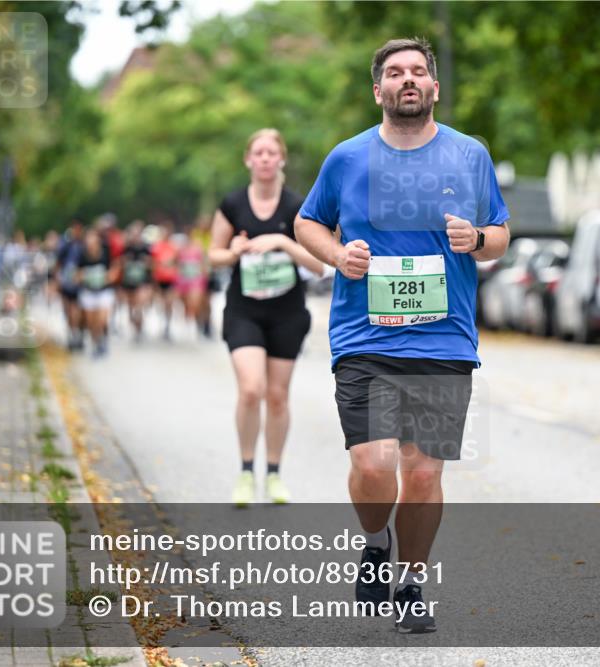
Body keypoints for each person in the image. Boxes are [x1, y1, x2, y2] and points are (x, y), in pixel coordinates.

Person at [295, 38, 510, 634]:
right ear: (378, 91)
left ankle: (412, 584)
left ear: (435, 87)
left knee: (421, 474)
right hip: (364, 337)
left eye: (418, 71)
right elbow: (307, 222)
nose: (407, 79)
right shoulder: (347, 158)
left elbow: (499, 232)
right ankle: (375, 541)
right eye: (395, 73)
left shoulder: (469, 155)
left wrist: (478, 240)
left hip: (444, 340)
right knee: (373, 465)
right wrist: (338, 255)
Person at [209, 128, 324, 507]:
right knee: (251, 389)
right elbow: (214, 255)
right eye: (257, 152)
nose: (264, 158)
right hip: (244, 310)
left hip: (287, 313)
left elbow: (320, 264)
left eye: (271, 152)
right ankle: (246, 471)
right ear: (248, 160)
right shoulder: (232, 204)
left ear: (281, 159)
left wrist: (283, 242)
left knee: (276, 397)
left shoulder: (297, 207)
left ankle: (273, 473)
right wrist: (234, 251)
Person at [77, 228, 117, 358]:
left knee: (102, 319)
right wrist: (83, 276)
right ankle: (95, 344)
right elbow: (76, 274)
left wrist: (110, 276)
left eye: (93, 238)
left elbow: (115, 267)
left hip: (104, 291)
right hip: (88, 292)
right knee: (91, 322)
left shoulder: (106, 252)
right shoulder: (82, 255)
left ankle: (103, 340)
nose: (90, 241)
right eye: (88, 238)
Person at [120, 220, 153, 343]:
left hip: (142, 281)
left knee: (139, 305)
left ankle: (139, 326)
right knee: (131, 306)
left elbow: (152, 264)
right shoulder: (126, 248)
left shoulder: (146, 247)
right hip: (129, 282)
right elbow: (120, 264)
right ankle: (135, 325)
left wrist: (146, 263)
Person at [57, 220, 86, 351]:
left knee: (77, 311)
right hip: (66, 283)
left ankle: (77, 334)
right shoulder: (65, 245)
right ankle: (72, 334)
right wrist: (58, 280)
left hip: (79, 284)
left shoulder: (83, 246)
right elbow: (58, 263)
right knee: (68, 311)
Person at [175, 230, 209, 338]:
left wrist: (204, 275)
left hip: (196, 280)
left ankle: (198, 324)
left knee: (195, 303)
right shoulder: (180, 250)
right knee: (186, 304)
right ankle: (188, 324)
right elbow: (177, 264)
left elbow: (204, 263)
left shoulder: (198, 249)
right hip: (184, 281)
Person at [150, 221, 179, 341]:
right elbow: (152, 264)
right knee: (161, 304)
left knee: (169, 303)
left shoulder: (173, 247)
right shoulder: (156, 247)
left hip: (170, 280)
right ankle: (162, 324)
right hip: (159, 279)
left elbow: (177, 262)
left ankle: (167, 326)